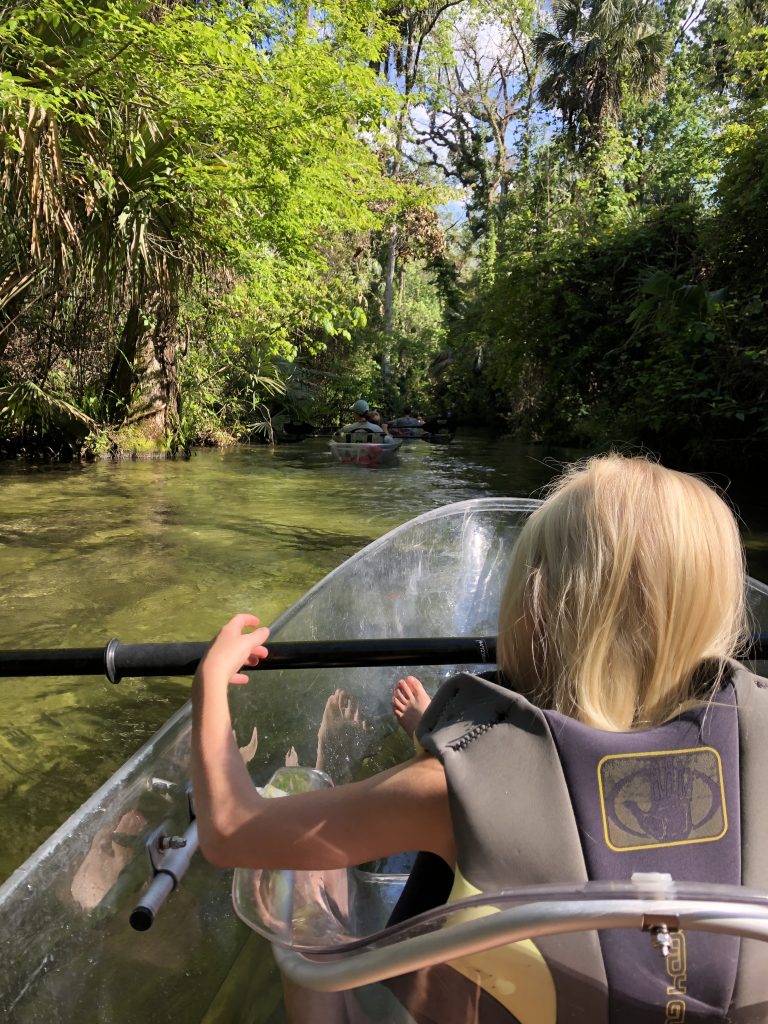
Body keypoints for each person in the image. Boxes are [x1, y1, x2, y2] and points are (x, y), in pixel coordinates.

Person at [192, 454, 768, 1022]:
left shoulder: (455, 788)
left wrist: (210, 687)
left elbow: (229, 830)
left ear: (539, 606)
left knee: (301, 845)